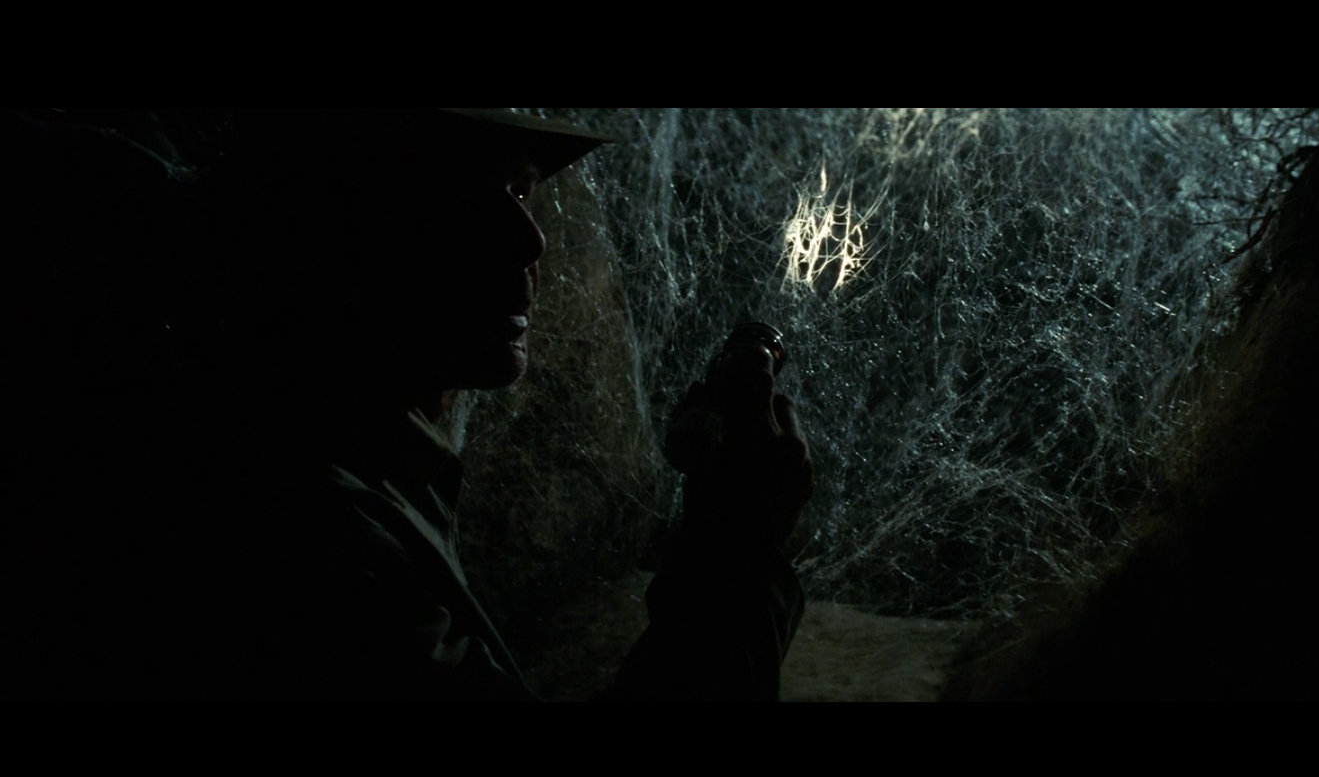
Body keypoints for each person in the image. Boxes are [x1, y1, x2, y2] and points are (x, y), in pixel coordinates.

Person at [1, 108, 812, 700]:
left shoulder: (347, 453)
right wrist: (739, 548)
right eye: (463, 198)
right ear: (331, 230)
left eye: (521, 192)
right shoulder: (311, 547)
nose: (529, 241)